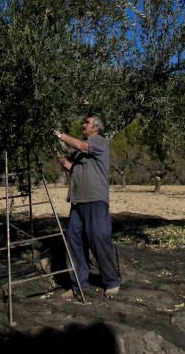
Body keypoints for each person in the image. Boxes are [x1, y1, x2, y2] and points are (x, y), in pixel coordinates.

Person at [54, 114, 121, 299]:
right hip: (78, 202)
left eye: (87, 123)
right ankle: (78, 285)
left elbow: (82, 145)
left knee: (99, 239)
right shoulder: (79, 152)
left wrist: (61, 135)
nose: (84, 125)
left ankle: (111, 281)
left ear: (96, 128)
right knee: (74, 242)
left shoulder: (98, 142)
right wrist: (58, 155)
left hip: (96, 200)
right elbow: (71, 167)